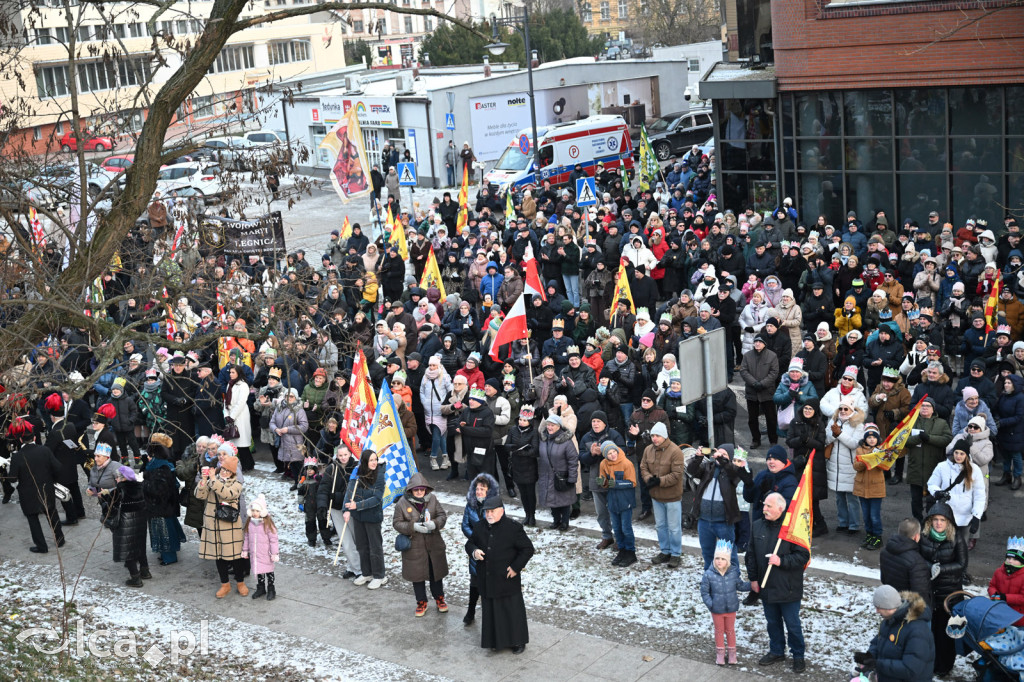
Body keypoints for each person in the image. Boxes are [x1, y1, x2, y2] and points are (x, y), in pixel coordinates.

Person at [746, 492, 809, 673]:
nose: (764, 509)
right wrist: (753, 579)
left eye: (769, 506)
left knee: (792, 624)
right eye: (764, 505)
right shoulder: (757, 526)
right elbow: (751, 555)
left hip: (788, 588)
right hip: (766, 586)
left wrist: (782, 561)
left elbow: (803, 556)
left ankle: (798, 655)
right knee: (772, 622)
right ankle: (776, 651)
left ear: (780, 509)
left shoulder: (793, 529)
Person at [465, 496, 535, 654]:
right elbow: (470, 544)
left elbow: (528, 549)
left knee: (511, 612)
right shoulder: (479, 526)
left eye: (492, 511)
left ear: (501, 511)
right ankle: (495, 641)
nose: (489, 514)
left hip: (506, 579)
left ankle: (518, 641)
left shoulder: (513, 528)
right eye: (487, 511)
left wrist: (516, 567)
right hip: (487, 579)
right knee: (491, 612)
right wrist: (474, 551)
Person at [918, 501, 967, 676]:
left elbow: (962, 564)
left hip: (949, 593)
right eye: (936, 519)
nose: (939, 523)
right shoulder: (923, 536)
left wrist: (941, 569)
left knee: (945, 633)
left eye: (942, 520)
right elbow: (917, 557)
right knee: (929, 632)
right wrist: (929, 566)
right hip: (929, 592)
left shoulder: (957, 538)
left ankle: (945, 666)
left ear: (949, 523)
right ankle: (930, 663)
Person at [393, 472, 449, 616]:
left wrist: (435, 524)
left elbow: (442, 515)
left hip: (434, 544)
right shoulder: (402, 503)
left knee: (435, 573)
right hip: (414, 547)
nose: (419, 492)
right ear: (411, 490)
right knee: (417, 575)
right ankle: (421, 602)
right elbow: (397, 523)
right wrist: (413, 527)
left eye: (422, 489)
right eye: (416, 489)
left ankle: (439, 598)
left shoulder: (433, 500)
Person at [688, 443, 751, 570]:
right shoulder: (708, 467)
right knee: (707, 553)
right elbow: (691, 471)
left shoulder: (733, 470)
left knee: (728, 553)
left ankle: (733, 578)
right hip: (704, 520)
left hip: (723, 521)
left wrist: (722, 461)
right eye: (718, 452)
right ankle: (710, 577)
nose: (719, 456)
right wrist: (698, 457)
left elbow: (734, 475)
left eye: (724, 454)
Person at [853, 585, 935, 681]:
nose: (876, 611)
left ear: (888, 607)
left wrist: (877, 664)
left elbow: (911, 669)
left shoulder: (917, 631)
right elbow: (878, 642)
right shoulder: (889, 621)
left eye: (879, 607)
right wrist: (869, 657)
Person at [5, 419, 63, 553]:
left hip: (28, 493)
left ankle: (41, 546)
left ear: (20, 440)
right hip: (46, 488)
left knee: (33, 520)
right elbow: (58, 468)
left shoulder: (17, 457)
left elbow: (12, 478)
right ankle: (59, 539)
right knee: (52, 514)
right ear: (35, 437)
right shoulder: (45, 450)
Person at [195, 453, 248, 598]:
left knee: (236, 556)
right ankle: (225, 584)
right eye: (223, 469)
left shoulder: (237, 484)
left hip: (230, 524)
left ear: (233, 473)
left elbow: (227, 494)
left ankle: (240, 582)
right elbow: (200, 496)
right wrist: (204, 480)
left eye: (228, 470)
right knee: (219, 556)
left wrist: (212, 479)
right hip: (214, 523)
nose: (224, 472)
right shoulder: (213, 479)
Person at [641, 421, 687, 567]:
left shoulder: (675, 451)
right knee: (660, 526)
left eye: (657, 436)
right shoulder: (648, 449)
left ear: (664, 436)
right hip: (656, 496)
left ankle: (675, 554)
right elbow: (643, 467)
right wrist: (649, 479)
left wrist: (659, 481)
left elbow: (677, 474)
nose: (654, 438)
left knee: (674, 527)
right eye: (653, 435)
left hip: (672, 497)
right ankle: (665, 551)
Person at [700, 539, 750, 666]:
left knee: (730, 630)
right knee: (719, 631)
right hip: (717, 610)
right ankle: (720, 653)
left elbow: (740, 585)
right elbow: (704, 592)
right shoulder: (708, 575)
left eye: (722, 559)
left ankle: (732, 652)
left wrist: (753, 585)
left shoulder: (733, 573)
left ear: (727, 561)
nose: (719, 561)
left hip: (731, 608)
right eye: (717, 558)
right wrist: (711, 604)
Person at [927, 434, 985, 538]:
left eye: (962, 454)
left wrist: (976, 516)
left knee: (961, 549)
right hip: (945, 515)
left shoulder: (975, 470)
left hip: (965, 517)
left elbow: (979, 495)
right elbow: (932, 484)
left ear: (967, 455)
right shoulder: (942, 466)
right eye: (956, 452)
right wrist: (937, 492)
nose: (958, 456)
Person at [345, 449, 388, 590]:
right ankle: (366, 572)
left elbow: (376, 498)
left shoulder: (380, 475)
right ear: (364, 462)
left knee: (375, 546)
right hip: (358, 516)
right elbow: (350, 492)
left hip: (372, 516)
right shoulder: (357, 473)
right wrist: (346, 509)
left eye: (375, 459)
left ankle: (379, 575)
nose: (374, 462)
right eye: (371, 460)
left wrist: (357, 504)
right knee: (362, 546)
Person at [462, 473, 500, 625]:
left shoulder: (496, 505)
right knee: (475, 583)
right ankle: (471, 612)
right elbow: (465, 525)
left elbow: (499, 527)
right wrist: (477, 538)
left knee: (490, 585)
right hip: (476, 549)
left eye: (482, 489)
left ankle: (491, 615)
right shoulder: (470, 505)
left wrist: (487, 540)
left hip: (492, 551)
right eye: (477, 489)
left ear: (488, 491)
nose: (479, 492)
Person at [824, 396, 865, 536]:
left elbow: (854, 443)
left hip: (850, 466)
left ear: (851, 409)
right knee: (839, 497)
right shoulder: (833, 421)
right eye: (840, 408)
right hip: (835, 466)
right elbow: (826, 439)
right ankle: (842, 523)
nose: (842, 411)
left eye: (845, 408)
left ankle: (853, 525)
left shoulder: (858, 425)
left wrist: (839, 434)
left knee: (852, 498)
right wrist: (834, 435)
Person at [143, 435, 186, 566]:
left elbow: (158, 489)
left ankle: (169, 556)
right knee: (161, 530)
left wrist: (143, 484)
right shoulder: (160, 465)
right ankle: (165, 554)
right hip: (162, 506)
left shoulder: (160, 467)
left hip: (162, 507)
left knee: (164, 531)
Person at [318, 445, 360, 579]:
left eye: (345, 455)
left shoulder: (356, 468)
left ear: (349, 454)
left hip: (352, 508)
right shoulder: (332, 468)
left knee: (356, 538)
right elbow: (324, 487)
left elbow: (355, 489)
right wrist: (322, 505)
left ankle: (360, 567)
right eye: (340, 455)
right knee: (345, 540)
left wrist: (338, 496)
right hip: (336, 509)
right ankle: (354, 567)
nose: (342, 458)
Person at [597, 440, 637, 567]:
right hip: (612, 501)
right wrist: (602, 482)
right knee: (617, 528)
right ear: (605, 455)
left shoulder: (626, 463)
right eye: (609, 453)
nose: (613, 455)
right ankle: (622, 550)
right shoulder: (603, 464)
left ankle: (631, 552)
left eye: (614, 451)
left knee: (626, 528)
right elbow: (604, 481)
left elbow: (632, 483)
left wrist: (616, 484)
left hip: (625, 501)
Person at [109, 465, 149, 586]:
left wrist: (102, 496)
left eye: (117, 477)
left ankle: (135, 578)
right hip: (140, 521)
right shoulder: (140, 487)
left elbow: (111, 507)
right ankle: (145, 571)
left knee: (128, 550)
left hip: (125, 523)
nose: (116, 480)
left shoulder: (119, 491)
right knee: (140, 547)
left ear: (123, 478)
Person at [879, 517, 934, 605]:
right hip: (908, 608)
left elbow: (884, 579)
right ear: (916, 537)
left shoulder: (885, 551)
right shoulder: (916, 561)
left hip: (891, 601)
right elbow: (920, 594)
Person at [537, 414, 578, 531]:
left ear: (559, 426)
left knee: (564, 501)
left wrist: (572, 478)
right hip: (546, 476)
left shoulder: (566, 441)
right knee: (551, 500)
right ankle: (556, 521)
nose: (549, 427)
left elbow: (573, 460)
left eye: (552, 425)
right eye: (548, 425)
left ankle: (565, 522)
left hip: (561, 477)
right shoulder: (544, 439)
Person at [739, 335, 779, 448]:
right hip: (752, 393)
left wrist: (762, 384)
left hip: (767, 392)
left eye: (760, 342)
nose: (757, 344)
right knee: (752, 419)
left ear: (764, 344)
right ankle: (755, 439)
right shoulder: (747, 356)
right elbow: (743, 371)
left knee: (771, 418)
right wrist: (754, 383)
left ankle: (773, 440)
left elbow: (774, 373)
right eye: (755, 341)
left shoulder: (772, 356)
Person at [852, 423, 887, 550]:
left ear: (878, 439)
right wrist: (866, 460)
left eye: (874, 437)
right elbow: (856, 466)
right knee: (866, 515)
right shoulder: (859, 450)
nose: (872, 440)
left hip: (876, 488)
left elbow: (884, 467)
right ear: (865, 439)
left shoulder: (882, 450)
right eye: (869, 437)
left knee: (874, 515)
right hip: (862, 487)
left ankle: (877, 536)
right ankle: (869, 534)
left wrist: (876, 457)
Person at [505, 405, 539, 526]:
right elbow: (507, 444)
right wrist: (513, 448)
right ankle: (526, 514)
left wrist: (522, 452)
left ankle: (532, 515)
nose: (521, 422)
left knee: (530, 493)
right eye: (520, 419)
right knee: (523, 493)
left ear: (529, 421)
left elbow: (535, 450)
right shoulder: (513, 430)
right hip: (517, 466)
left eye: (524, 420)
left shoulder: (534, 432)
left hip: (529, 467)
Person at [242, 494, 280, 601]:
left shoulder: (267, 524)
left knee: (268, 571)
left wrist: (274, 553)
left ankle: (271, 589)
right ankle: (261, 588)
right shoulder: (250, 523)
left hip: (265, 553)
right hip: (255, 553)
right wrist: (245, 550)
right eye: (253, 510)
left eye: (257, 511)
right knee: (259, 571)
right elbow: (246, 537)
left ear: (262, 512)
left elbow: (273, 540)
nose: (254, 513)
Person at [988, 536, 1024, 624]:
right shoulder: (999, 571)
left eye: (1015, 559)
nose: (1010, 561)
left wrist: (1005, 597)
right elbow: (992, 586)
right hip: (999, 612)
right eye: (1008, 558)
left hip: (1018, 617)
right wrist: (994, 594)